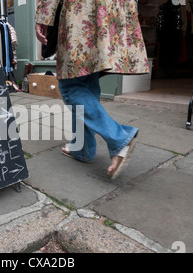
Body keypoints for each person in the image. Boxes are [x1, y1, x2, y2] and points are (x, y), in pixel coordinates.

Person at [35, 0, 150, 180]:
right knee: (86, 78)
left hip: (83, 9)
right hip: (109, 8)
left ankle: (120, 138)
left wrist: (43, 15)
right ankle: (83, 149)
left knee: (70, 85)